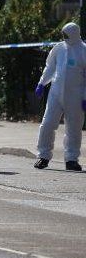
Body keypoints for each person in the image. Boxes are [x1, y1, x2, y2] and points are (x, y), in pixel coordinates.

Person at [34, 22, 86, 171]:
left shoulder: (83, 51)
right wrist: (42, 83)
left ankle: (71, 159)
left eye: (66, 35)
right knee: (47, 124)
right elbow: (50, 67)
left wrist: (85, 97)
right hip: (55, 93)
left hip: (76, 95)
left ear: (74, 35)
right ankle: (43, 156)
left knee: (74, 128)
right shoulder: (58, 48)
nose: (64, 37)